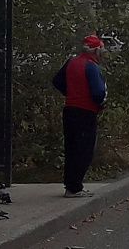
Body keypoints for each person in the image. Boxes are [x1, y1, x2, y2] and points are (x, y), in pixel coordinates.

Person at [52, 35, 107, 198]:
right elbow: (98, 92)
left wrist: (70, 92)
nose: (102, 52)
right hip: (86, 111)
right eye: (101, 49)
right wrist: (100, 103)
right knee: (84, 150)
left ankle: (70, 185)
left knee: (71, 148)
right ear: (96, 50)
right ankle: (74, 187)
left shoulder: (72, 62)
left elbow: (57, 81)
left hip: (70, 110)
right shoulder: (91, 67)